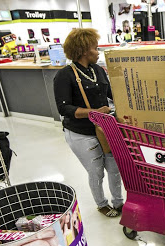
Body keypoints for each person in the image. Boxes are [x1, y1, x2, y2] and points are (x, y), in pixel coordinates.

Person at [53, 28, 124, 217]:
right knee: (96, 172)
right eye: (95, 47)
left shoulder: (98, 70)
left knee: (114, 167)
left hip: (105, 128)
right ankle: (101, 204)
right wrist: (94, 112)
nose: (98, 51)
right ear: (84, 50)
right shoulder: (64, 75)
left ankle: (119, 202)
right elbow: (64, 108)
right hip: (80, 133)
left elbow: (112, 94)